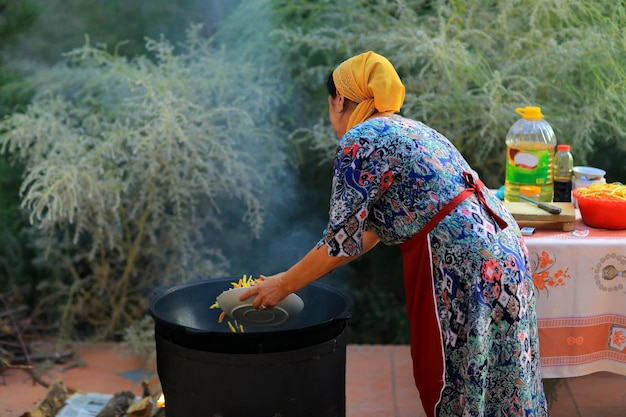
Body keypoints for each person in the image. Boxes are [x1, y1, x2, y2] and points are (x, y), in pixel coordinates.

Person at [240, 51, 549, 417]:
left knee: (463, 385)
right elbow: (361, 234)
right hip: (504, 248)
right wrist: (288, 278)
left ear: (340, 99)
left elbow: (339, 245)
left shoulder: (360, 140)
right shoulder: (412, 128)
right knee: (505, 377)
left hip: (465, 266)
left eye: (329, 103)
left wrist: (282, 285)